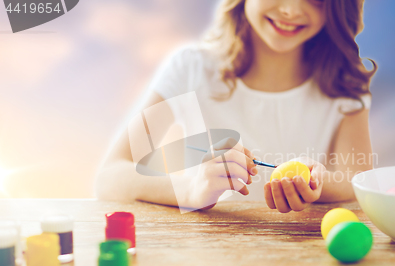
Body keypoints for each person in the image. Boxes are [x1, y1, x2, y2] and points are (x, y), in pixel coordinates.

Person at [95, 0, 376, 213]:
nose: (291, 9)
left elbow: (358, 183)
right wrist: (191, 189)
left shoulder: (345, 86)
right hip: (209, 265)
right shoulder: (192, 69)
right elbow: (110, 177)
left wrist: (319, 183)